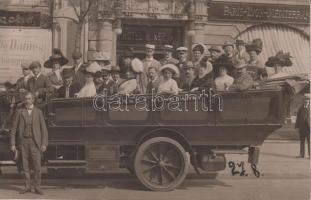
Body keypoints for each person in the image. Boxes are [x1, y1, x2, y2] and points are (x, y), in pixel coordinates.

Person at [10, 92, 48, 195]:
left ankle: (37, 187)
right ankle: (27, 186)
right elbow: (13, 129)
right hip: (23, 142)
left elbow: (44, 129)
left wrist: (44, 143)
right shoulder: (19, 112)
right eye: (26, 99)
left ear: (33, 100)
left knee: (37, 167)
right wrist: (13, 144)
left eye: (29, 98)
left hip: (35, 143)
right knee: (25, 166)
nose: (27, 100)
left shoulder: (38, 112)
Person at [295, 93, 310, 158]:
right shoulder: (301, 108)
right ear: (303, 100)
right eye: (305, 99)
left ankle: (310, 155)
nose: (306, 100)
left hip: (309, 128)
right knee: (302, 141)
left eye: (307, 99)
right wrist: (297, 127)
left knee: (310, 141)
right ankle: (301, 154)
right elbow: (298, 118)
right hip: (302, 127)